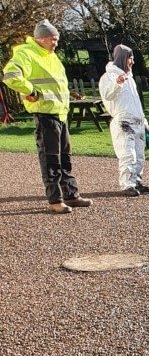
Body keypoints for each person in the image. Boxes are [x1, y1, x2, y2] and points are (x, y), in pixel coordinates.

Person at [1, 20, 92, 214]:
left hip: (60, 113)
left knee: (65, 158)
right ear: (41, 38)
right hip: (44, 114)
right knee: (51, 159)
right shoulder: (26, 53)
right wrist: (30, 90)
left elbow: (56, 84)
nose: (56, 43)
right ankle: (55, 200)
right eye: (53, 39)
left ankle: (71, 195)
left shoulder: (52, 56)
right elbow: (10, 75)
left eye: (57, 39)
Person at [99, 44, 149, 196]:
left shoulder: (130, 78)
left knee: (140, 155)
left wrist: (144, 119)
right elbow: (107, 95)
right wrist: (118, 84)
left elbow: (135, 101)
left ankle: (136, 181)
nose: (132, 61)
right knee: (128, 153)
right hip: (123, 121)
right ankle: (127, 184)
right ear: (122, 58)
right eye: (130, 58)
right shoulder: (109, 77)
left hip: (137, 121)